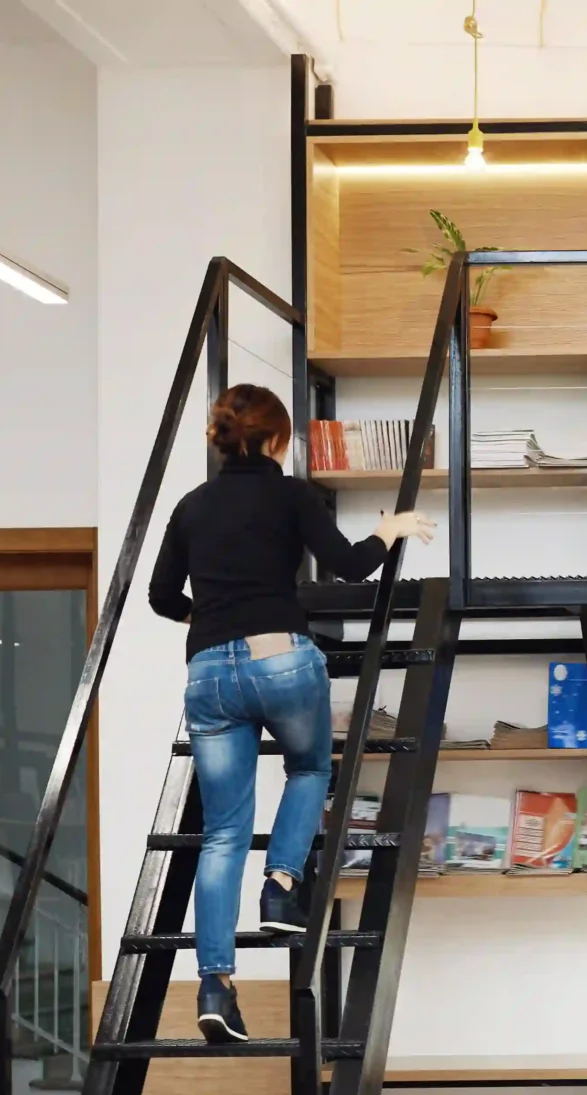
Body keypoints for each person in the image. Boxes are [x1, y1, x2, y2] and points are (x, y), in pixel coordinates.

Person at [147, 384, 432, 1042]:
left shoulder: (192, 507)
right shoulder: (290, 494)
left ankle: (216, 986)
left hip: (208, 672)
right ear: (276, 440)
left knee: (221, 834)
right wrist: (389, 527)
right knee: (309, 769)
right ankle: (280, 884)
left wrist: (212, 619)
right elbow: (351, 566)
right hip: (280, 658)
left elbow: (164, 595)